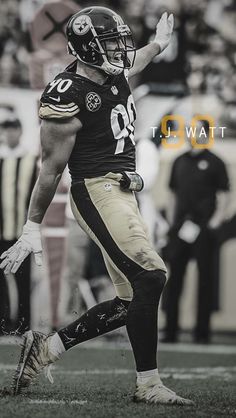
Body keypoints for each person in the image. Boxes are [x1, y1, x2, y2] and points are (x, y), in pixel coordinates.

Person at [0, 6, 193, 405]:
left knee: (130, 300)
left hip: (121, 192)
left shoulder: (114, 68)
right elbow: (50, 171)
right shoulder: (67, 92)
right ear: (88, 49)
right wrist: (31, 227)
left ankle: (46, 350)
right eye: (111, 44)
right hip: (95, 190)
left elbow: (135, 58)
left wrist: (158, 44)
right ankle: (149, 384)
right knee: (152, 276)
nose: (121, 52)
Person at [162, 121, 230, 343]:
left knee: (205, 280)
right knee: (174, 280)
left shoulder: (215, 162)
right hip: (180, 228)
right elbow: (172, 195)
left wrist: (214, 222)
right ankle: (171, 332)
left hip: (204, 229)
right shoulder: (178, 161)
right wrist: (172, 224)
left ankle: (202, 333)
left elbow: (224, 195)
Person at [0, 107, 37, 335]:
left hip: (22, 233)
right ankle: (4, 322)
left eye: (14, 129)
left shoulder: (30, 161)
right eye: (7, 129)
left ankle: (24, 325)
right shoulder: (2, 159)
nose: (10, 134)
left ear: (20, 131)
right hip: (1, 229)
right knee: (1, 282)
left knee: (23, 281)